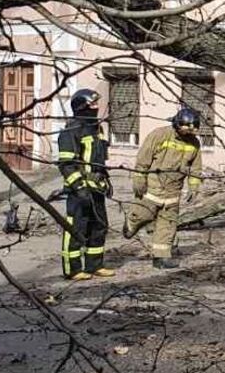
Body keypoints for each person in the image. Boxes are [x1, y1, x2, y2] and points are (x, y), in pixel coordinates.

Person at [124, 107, 203, 269]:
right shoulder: (159, 135)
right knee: (144, 214)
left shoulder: (194, 143)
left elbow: (195, 168)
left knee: (168, 224)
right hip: (153, 185)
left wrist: (194, 186)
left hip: (174, 189)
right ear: (177, 124)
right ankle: (132, 222)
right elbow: (143, 158)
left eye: (192, 130)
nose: (188, 134)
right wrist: (139, 178)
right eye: (186, 129)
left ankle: (161, 257)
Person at [56, 88, 114, 281]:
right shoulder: (71, 130)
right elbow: (66, 164)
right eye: (93, 104)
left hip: (97, 188)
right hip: (79, 190)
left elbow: (99, 160)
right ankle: (72, 269)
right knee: (76, 228)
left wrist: (105, 179)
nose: (97, 108)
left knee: (99, 226)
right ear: (82, 106)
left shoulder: (97, 128)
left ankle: (94, 265)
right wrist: (78, 186)